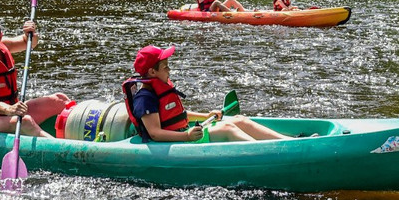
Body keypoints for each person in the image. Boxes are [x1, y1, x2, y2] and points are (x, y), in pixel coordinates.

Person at [122, 45, 294, 142]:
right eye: (165, 66)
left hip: (183, 133)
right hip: (175, 142)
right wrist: (186, 136)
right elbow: (155, 133)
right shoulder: (145, 98)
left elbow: (178, 116)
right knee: (227, 127)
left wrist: (207, 115)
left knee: (238, 120)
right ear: (152, 72)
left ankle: (288, 142)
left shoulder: (160, 88)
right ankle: (271, 151)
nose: (169, 69)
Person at [0, 16, 72, 137]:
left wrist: (31, 33)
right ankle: (64, 150)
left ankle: (85, 132)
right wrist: (9, 109)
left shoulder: (4, 46)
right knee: (25, 122)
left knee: (60, 100)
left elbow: (28, 43)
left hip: (8, 111)